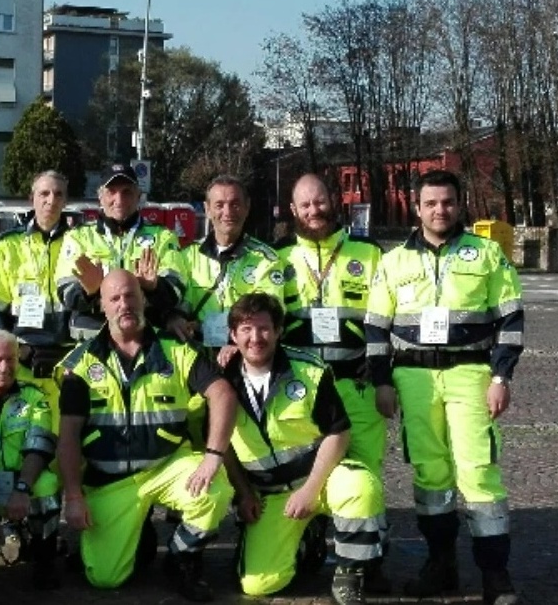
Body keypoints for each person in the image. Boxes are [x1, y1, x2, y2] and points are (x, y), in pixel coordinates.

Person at [365, 169, 523, 605]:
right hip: (412, 378)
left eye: (447, 202)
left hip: (470, 374)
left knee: (478, 472)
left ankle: (495, 574)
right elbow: (376, 329)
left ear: (460, 204)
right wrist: (382, 382)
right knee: (430, 475)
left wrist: (500, 376)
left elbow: (510, 321)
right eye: (431, 203)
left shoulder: (487, 255)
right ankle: (442, 565)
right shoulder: (393, 261)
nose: (440, 210)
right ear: (417, 208)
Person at [56, 269, 236, 602]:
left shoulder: (177, 351)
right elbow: (68, 438)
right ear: (102, 308)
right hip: (110, 482)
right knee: (105, 579)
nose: (124, 304)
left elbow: (222, 393)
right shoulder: (79, 365)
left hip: (167, 467)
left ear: (143, 300)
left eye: (130, 296)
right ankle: (139, 537)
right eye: (114, 298)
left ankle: (182, 557)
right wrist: (74, 496)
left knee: (215, 488)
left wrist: (213, 456)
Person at [221, 293, 384, 604]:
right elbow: (222, 445)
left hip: (319, 481)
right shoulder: (222, 379)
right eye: (246, 329)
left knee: (360, 486)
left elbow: (339, 433)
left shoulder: (309, 370)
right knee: (258, 585)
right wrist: (244, 494)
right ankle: (307, 539)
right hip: (271, 495)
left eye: (264, 329)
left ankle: (351, 574)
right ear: (233, 335)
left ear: (279, 331)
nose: (256, 338)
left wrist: (310, 490)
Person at [274, 174, 390, 590]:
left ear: (334, 200)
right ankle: (310, 540)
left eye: (319, 201)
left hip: (354, 384)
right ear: (293, 211)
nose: (313, 211)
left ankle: (368, 560)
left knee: (365, 474)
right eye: (304, 205)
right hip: (301, 392)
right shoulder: (280, 257)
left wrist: (382, 376)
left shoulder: (369, 252)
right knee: (307, 469)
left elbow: (388, 322)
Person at [167, 174, 285, 449]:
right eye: (219, 205)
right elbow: (176, 307)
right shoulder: (187, 257)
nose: (227, 212)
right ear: (206, 209)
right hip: (196, 366)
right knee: (195, 445)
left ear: (247, 207)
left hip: (244, 364)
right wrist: (174, 319)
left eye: (234, 204)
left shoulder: (266, 259)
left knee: (244, 445)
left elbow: (270, 311)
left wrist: (234, 340)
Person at [0, 328, 61, 589]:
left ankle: (44, 559)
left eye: (11, 359)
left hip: (23, 481)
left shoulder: (35, 397)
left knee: (48, 486)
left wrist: (22, 488)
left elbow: (39, 448)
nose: (5, 367)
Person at [0, 170, 74, 431]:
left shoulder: (80, 244)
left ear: (66, 201)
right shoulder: (7, 246)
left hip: (66, 361)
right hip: (20, 360)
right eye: (44, 193)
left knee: (63, 437)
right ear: (31, 198)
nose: (50, 200)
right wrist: (11, 353)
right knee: (18, 434)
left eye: (58, 194)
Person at [55, 163, 185, 341]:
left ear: (138, 196)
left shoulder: (163, 236)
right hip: (93, 340)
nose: (119, 199)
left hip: (145, 339)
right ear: (100, 197)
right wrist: (89, 292)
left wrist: (154, 288)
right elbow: (65, 294)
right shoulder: (78, 237)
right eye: (111, 192)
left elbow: (176, 292)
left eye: (127, 192)